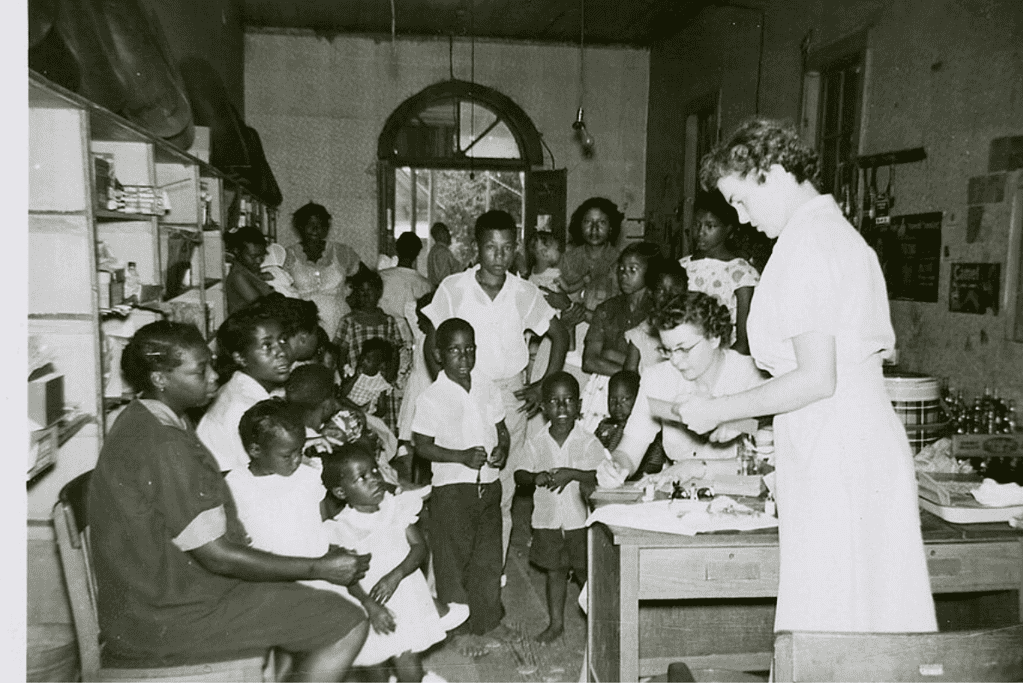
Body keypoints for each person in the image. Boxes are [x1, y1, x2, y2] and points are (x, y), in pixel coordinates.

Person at [677, 118, 937, 633]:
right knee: (852, 614)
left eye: (740, 200)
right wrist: (757, 422)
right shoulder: (822, 237)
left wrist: (720, 408)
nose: (741, 218)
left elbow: (818, 378)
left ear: (769, 171)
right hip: (837, 442)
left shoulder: (812, 245)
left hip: (841, 455)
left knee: (842, 622)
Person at [88, 321, 368, 680]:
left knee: (297, 594)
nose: (213, 378)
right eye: (199, 371)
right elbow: (216, 556)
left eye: (211, 365)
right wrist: (320, 567)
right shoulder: (165, 445)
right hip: (171, 615)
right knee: (344, 622)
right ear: (160, 378)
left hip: (149, 600)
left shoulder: (142, 417)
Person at [422, 210, 570, 565]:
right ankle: (457, 569)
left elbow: (559, 335)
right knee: (457, 482)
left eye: (507, 247)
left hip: (508, 393)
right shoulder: (454, 288)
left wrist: (541, 384)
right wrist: (444, 389)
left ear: (516, 248)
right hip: (463, 390)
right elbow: (432, 341)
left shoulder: (524, 291)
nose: (499, 256)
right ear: (477, 247)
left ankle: (494, 570)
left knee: (499, 487)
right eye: (491, 247)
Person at [412, 318, 517, 657]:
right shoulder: (432, 397)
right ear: (440, 355)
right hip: (453, 488)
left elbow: (501, 428)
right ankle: (457, 629)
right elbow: (422, 446)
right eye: (455, 350)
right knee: (452, 560)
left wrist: (502, 447)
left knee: (487, 557)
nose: (464, 357)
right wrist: (458, 456)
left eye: (469, 349)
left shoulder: (486, 385)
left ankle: (488, 620)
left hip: (488, 486)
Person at [599, 292, 766, 485]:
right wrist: (616, 467)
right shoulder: (657, 379)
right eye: (668, 350)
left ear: (714, 338)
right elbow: (629, 451)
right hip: (680, 493)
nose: (675, 360)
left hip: (739, 489)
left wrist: (696, 467)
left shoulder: (753, 376)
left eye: (683, 349)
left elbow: (765, 464)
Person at [321, 445, 449, 682]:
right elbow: (347, 576)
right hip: (370, 603)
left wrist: (395, 576)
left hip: (405, 594)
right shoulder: (341, 528)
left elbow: (419, 547)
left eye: (375, 471)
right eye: (362, 478)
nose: (375, 480)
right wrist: (369, 604)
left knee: (408, 658)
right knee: (374, 664)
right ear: (340, 492)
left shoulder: (395, 508)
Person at [514, 372, 604, 643]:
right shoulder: (536, 441)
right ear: (543, 406)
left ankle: (599, 625)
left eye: (568, 401)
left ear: (579, 405)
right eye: (554, 401)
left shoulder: (588, 441)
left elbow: (600, 475)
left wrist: (573, 474)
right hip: (548, 521)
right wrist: (534, 477)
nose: (562, 408)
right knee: (555, 572)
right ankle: (556, 624)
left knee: (587, 574)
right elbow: (520, 474)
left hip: (579, 523)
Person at [198, 306, 292, 472]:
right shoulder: (244, 407)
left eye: (283, 340)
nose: (281, 352)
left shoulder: (240, 386)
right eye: (267, 346)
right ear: (240, 358)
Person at [579, 242, 661, 432]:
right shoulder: (607, 309)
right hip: (605, 393)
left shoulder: (657, 311)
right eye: (621, 269)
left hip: (645, 393)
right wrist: (633, 371)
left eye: (633, 269)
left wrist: (610, 355)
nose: (624, 275)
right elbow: (590, 361)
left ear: (650, 272)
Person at [680, 191, 759, 355]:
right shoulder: (681, 267)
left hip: (726, 359)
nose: (700, 232)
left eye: (710, 226)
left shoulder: (742, 274)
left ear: (728, 229)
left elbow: (744, 342)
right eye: (697, 224)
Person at [336, 266, 410, 434]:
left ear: (379, 293)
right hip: (357, 383)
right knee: (355, 422)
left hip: (380, 381)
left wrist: (390, 375)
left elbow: (395, 350)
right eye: (361, 291)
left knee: (381, 425)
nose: (365, 295)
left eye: (370, 291)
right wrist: (346, 376)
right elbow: (341, 351)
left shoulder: (388, 321)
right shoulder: (349, 320)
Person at [285, 202, 364, 338]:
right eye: (310, 224)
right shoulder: (288, 255)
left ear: (327, 228)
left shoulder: (342, 252)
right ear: (300, 227)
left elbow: (368, 279)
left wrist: (353, 299)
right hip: (303, 324)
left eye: (321, 225)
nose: (315, 229)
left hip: (338, 322)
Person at [557, 197, 624, 322]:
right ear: (580, 226)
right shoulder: (567, 260)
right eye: (588, 222)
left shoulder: (621, 261)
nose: (594, 228)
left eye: (602, 222)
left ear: (611, 227)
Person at [624, 257, 689, 372]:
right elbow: (629, 376)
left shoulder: (694, 329)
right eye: (660, 291)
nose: (669, 297)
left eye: (675, 290)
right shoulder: (641, 334)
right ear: (650, 293)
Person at [380, 232, 435, 345]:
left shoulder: (381, 277)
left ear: (396, 249)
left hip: (381, 334)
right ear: (418, 253)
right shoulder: (425, 285)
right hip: (410, 338)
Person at [224, 227, 274, 315]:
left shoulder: (248, 271)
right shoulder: (237, 276)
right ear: (237, 251)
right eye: (253, 257)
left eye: (262, 256)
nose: (259, 261)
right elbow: (261, 307)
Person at [340, 337, 394, 418]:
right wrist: (355, 377)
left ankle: (360, 412)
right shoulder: (353, 372)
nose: (363, 361)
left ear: (380, 365)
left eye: (368, 360)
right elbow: (343, 393)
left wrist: (370, 419)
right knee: (340, 400)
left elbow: (382, 409)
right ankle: (359, 410)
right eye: (363, 357)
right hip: (346, 411)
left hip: (364, 417)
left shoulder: (380, 383)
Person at [594, 369, 641, 453]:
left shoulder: (643, 430)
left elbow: (652, 463)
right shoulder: (605, 425)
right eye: (612, 399)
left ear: (638, 399)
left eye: (624, 399)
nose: (617, 405)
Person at [427, 222, 461, 287]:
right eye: (447, 232)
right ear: (441, 234)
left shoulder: (434, 250)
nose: (449, 235)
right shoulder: (442, 252)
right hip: (444, 291)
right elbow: (445, 278)